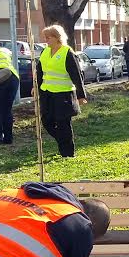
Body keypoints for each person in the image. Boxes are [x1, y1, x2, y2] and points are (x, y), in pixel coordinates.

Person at [36, 25, 88, 158]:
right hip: (47, 93)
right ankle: (63, 142)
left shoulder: (67, 52)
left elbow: (77, 75)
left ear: (57, 38)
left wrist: (81, 96)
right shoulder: (45, 52)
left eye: (48, 38)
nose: (46, 40)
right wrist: (35, 87)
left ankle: (68, 153)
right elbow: (40, 71)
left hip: (63, 94)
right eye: (45, 37)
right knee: (46, 121)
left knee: (63, 123)